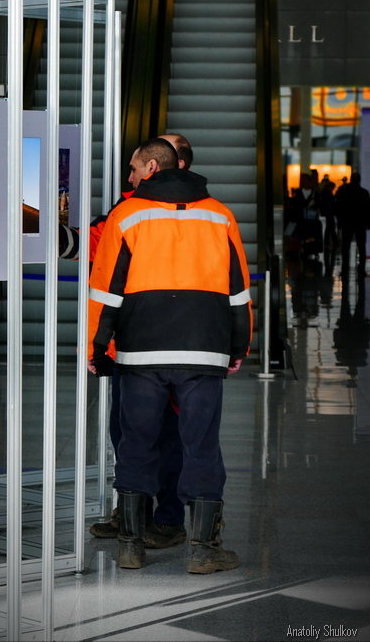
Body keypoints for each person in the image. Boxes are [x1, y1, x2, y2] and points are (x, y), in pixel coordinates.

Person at [88, 137, 253, 573]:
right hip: (204, 351)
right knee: (200, 445)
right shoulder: (220, 215)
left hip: (141, 351)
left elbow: (105, 290)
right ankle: (203, 550)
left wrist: (98, 346)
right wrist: (239, 347)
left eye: (133, 167)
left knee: (136, 442)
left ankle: (130, 546)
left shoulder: (127, 215)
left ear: (152, 168)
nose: (129, 175)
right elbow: (239, 292)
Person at [89, 134, 192, 550]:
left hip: (173, 347)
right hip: (134, 348)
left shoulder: (201, 213)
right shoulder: (126, 209)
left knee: (169, 439)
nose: (130, 173)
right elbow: (97, 246)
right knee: (128, 435)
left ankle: (167, 519)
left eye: (138, 165)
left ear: (168, 165)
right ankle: (132, 514)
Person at [334, 172, 370, 275]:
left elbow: (339, 207)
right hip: (360, 223)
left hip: (347, 222)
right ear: (359, 180)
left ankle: (345, 268)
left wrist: (340, 221)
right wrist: (368, 223)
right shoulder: (364, 192)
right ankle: (361, 269)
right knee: (361, 247)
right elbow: (367, 209)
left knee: (346, 247)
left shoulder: (343, 191)